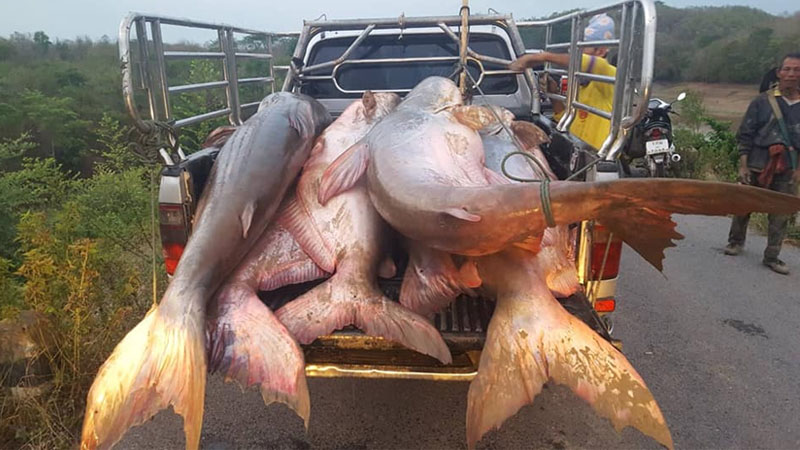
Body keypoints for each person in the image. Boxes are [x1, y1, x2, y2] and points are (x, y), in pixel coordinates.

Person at [724, 53, 800, 275]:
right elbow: (745, 134)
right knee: (743, 205)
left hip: (788, 167)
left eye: (796, 70)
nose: (791, 74)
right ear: (779, 73)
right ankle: (735, 242)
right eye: (787, 69)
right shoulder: (762, 101)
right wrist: (743, 165)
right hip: (758, 161)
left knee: (781, 213)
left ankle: (772, 256)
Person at [509, 13, 616, 151]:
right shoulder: (581, 84)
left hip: (599, 156)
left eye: (583, 48)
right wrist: (554, 95)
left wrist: (540, 57)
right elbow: (564, 119)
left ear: (600, 51)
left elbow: (586, 63)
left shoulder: (609, 73)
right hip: (577, 150)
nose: (577, 52)